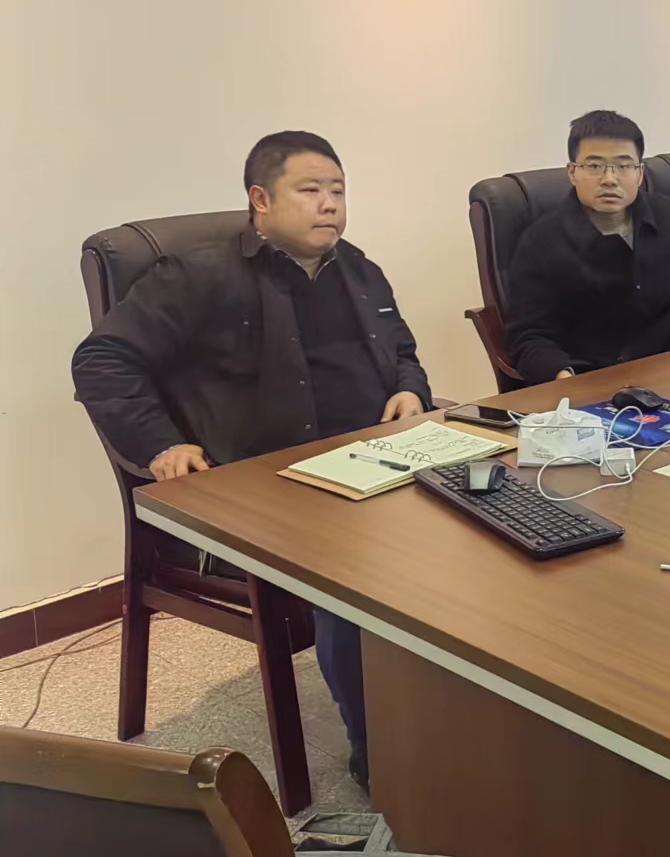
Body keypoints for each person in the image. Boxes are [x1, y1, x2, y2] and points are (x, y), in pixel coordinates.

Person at [72, 131, 430, 791]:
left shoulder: (357, 268)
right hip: (271, 486)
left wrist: (409, 387)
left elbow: (402, 347)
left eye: (338, 190)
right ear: (260, 200)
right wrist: (161, 444)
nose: (330, 204)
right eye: (310, 189)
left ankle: (468, 715)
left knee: (491, 517)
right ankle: (381, 752)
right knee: (356, 579)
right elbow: (101, 361)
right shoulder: (199, 275)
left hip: (377, 460)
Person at [504, 110, 670, 384]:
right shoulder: (541, 242)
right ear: (572, 172)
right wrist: (564, 377)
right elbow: (530, 336)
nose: (609, 179)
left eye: (623, 166)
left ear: (639, 174)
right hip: (601, 382)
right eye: (594, 166)